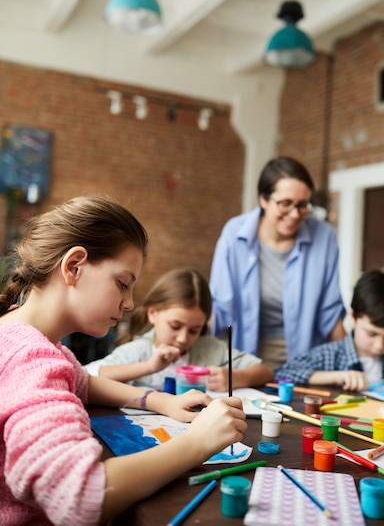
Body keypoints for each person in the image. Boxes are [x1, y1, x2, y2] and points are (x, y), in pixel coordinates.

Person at [0, 195, 247, 526]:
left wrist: (159, 400)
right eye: (122, 284)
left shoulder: (23, 332)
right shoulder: (30, 358)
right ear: (74, 266)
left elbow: (83, 381)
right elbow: (80, 497)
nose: (130, 303)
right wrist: (198, 442)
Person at [210, 156, 346, 367]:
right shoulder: (234, 234)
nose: (294, 214)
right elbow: (220, 307)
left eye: (303, 205)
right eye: (285, 204)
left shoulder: (324, 235)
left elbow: (330, 311)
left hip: (306, 360)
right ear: (263, 199)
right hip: (247, 358)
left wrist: (351, 363)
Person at [85, 267, 274, 391]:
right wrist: (149, 367)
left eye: (194, 330)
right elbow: (86, 375)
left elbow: (265, 371)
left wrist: (236, 377)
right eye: (175, 326)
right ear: (153, 314)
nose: (183, 339)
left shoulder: (210, 349)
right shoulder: (138, 352)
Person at [274, 270, 384, 390]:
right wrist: (337, 376)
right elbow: (282, 374)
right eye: (371, 334)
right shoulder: (329, 355)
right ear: (353, 316)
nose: (379, 345)